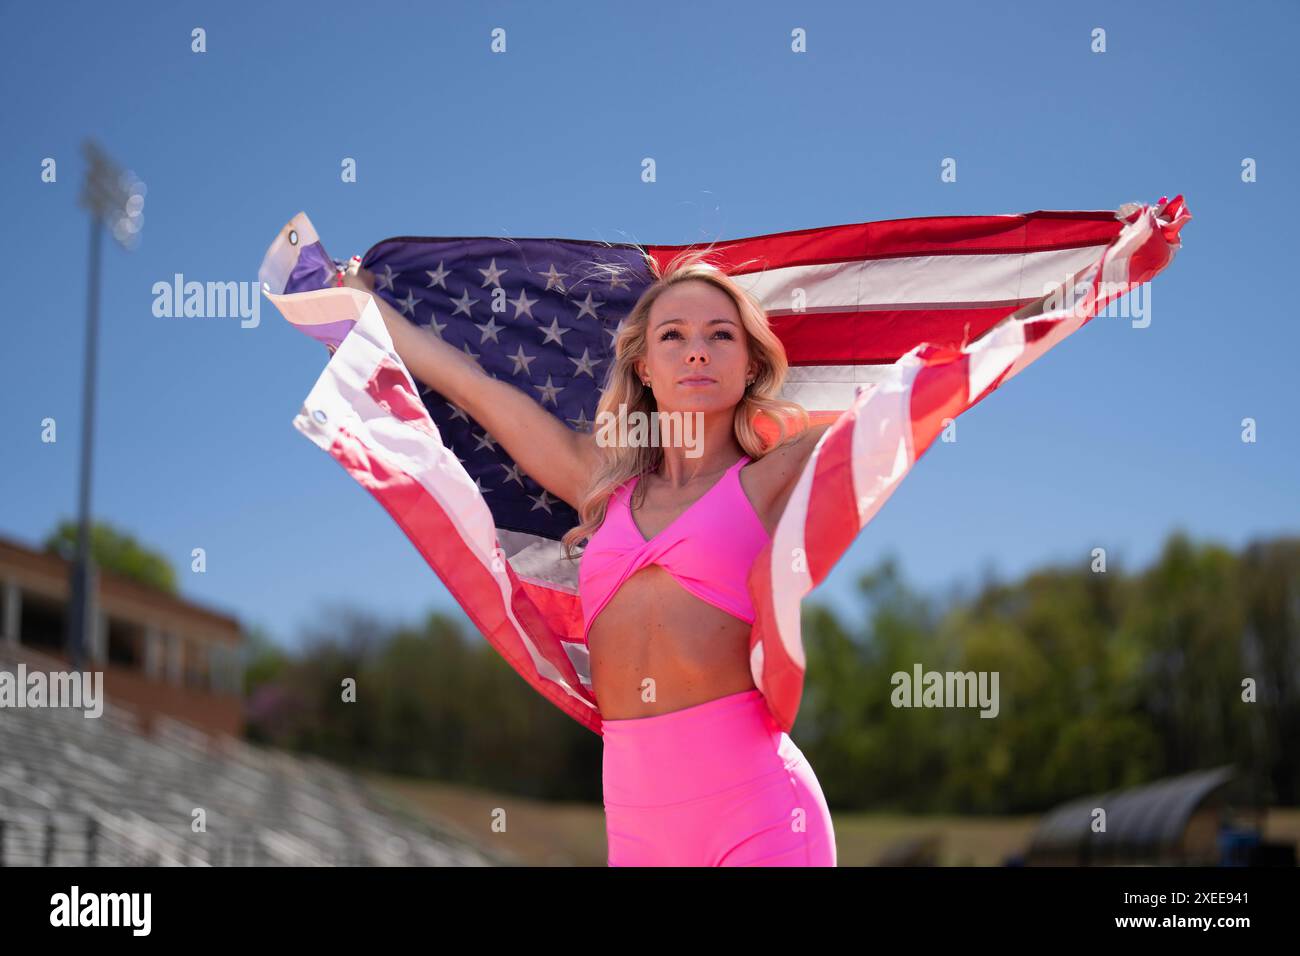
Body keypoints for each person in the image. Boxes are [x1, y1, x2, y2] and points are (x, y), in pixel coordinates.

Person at [342, 248, 837, 866]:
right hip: (636, 825)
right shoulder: (598, 482)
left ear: (750, 363)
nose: (698, 351)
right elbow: (475, 390)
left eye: (721, 335)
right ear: (645, 367)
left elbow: (904, 407)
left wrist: (995, 325)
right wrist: (363, 306)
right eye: (673, 335)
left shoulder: (773, 478)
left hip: (763, 810)